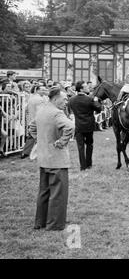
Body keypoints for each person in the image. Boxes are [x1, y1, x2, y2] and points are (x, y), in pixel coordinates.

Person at [29, 87, 74, 231]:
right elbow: (70, 127)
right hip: (57, 160)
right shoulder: (56, 113)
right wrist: (61, 142)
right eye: (64, 98)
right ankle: (54, 224)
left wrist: (41, 141)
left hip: (43, 158)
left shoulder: (41, 110)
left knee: (44, 192)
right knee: (58, 193)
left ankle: (40, 222)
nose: (66, 101)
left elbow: (31, 127)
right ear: (55, 99)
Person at [68, 81, 102, 171]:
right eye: (86, 87)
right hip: (89, 125)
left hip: (78, 125)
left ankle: (82, 166)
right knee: (89, 144)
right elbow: (99, 108)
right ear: (82, 89)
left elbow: (70, 109)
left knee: (80, 146)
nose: (88, 88)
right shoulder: (89, 99)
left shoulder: (71, 100)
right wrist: (96, 101)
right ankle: (89, 164)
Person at [21, 85, 47, 159]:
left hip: (32, 120)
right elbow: (41, 112)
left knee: (31, 137)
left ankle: (25, 153)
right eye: (42, 90)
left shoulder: (31, 98)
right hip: (38, 121)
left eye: (44, 90)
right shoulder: (40, 99)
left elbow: (26, 109)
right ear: (37, 90)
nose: (44, 91)